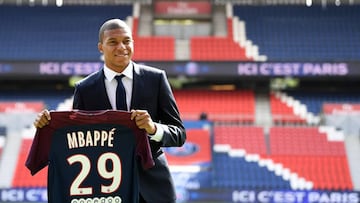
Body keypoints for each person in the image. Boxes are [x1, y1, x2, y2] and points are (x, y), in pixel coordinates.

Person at [33, 18, 186, 203]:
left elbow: (179, 134)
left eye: (126, 41)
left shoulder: (156, 79)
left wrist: (153, 128)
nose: (121, 47)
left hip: (153, 188)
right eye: (113, 42)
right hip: (106, 189)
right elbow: (76, 140)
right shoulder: (85, 88)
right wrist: (47, 125)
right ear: (100, 47)